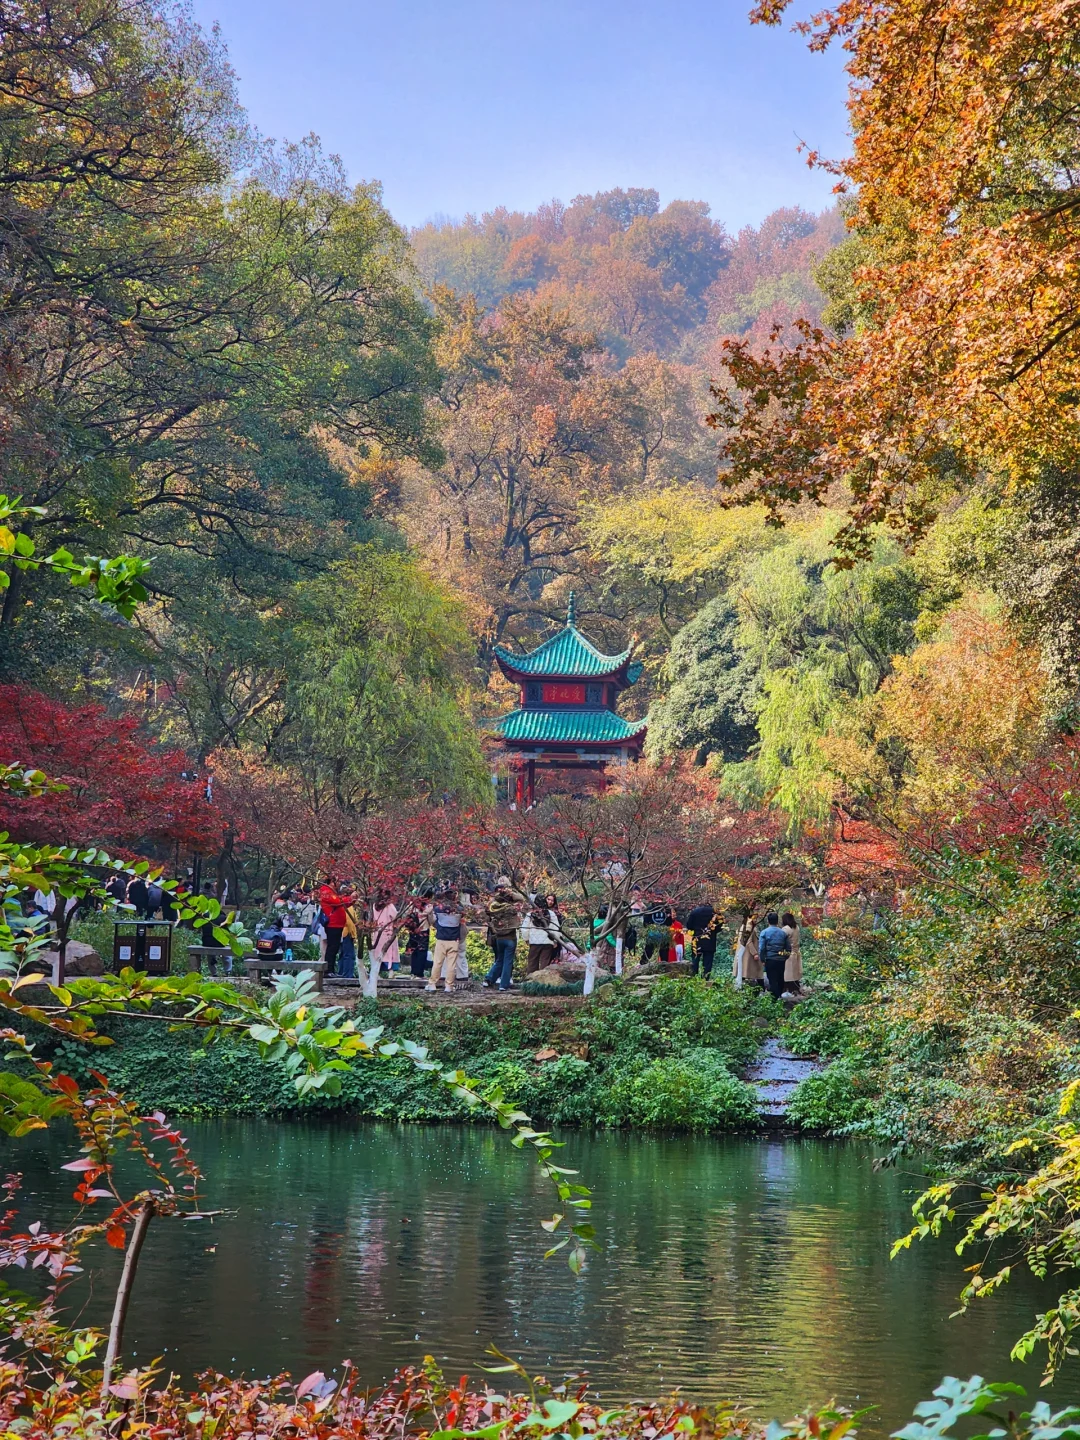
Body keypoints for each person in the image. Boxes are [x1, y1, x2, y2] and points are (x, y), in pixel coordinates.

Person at [483, 878, 522, 991]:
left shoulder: (494, 907)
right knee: (507, 961)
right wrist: (511, 893)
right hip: (510, 937)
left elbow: (487, 912)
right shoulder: (511, 909)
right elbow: (521, 898)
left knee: (499, 960)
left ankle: (489, 978)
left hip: (499, 937)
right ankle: (504, 984)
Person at [428, 891, 462, 993]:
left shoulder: (438, 909)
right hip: (454, 940)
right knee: (451, 964)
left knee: (438, 962)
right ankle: (449, 985)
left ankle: (432, 983)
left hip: (441, 939)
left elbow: (433, 920)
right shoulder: (459, 910)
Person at [318, 876, 350, 975]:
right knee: (332, 947)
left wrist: (351, 900)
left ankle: (331, 969)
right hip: (332, 924)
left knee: (335, 947)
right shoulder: (326, 891)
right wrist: (350, 898)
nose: (339, 884)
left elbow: (341, 903)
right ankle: (328, 970)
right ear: (332, 882)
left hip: (338, 924)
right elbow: (337, 902)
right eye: (338, 882)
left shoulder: (332, 892)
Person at [524, 892, 560, 974]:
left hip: (534, 941)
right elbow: (556, 928)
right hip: (548, 941)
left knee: (532, 962)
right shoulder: (551, 914)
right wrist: (555, 940)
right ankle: (543, 981)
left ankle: (530, 981)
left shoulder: (530, 914)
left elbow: (525, 928)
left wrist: (526, 938)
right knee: (545, 963)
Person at [758, 912, 791, 999]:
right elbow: (788, 948)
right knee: (780, 979)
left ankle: (775, 999)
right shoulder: (783, 933)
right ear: (777, 921)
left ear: (768, 921)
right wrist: (785, 957)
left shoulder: (764, 933)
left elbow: (761, 948)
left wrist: (762, 959)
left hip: (770, 959)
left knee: (772, 980)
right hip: (781, 960)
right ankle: (779, 996)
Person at [370, 891, 401, 975]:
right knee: (390, 952)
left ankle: (376, 973)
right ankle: (391, 972)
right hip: (388, 932)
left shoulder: (374, 906)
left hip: (377, 932)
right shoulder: (390, 906)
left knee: (378, 952)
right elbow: (396, 917)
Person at [686, 901, 717, 979]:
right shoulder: (715, 913)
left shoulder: (695, 912)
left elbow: (689, 925)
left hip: (697, 939)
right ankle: (705, 979)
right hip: (710, 940)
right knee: (708, 963)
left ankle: (694, 978)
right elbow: (718, 926)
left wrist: (696, 929)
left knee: (695, 960)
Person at [406, 893, 434, 977]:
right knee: (422, 952)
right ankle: (419, 973)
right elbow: (431, 921)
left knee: (414, 951)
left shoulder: (412, 905)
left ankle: (413, 971)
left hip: (413, 931)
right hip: (423, 931)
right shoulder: (429, 907)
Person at [732, 913, 762, 988]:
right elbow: (748, 941)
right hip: (747, 954)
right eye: (754, 918)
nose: (756, 920)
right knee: (746, 973)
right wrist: (754, 953)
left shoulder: (747, 925)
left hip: (745, 953)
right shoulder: (749, 926)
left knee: (744, 973)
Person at [781, 911, 803, 994]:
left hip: (788, 953)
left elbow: (781, 940)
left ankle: (788, 989)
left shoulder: (786, 929)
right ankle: (795, 988)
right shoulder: (796, 927)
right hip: (796, 951)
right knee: (794, 973)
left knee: (787, 974)